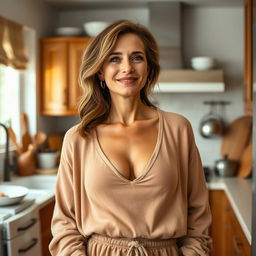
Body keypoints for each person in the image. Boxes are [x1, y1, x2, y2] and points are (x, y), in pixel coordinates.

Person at [49, 20, 212, 256]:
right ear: (100, 71)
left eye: (137, 57)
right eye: (114, 58)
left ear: (149, 69)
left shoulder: (178, 129)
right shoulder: (78, 138)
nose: (127, 67)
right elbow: (64, 222)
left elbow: (198, 216)